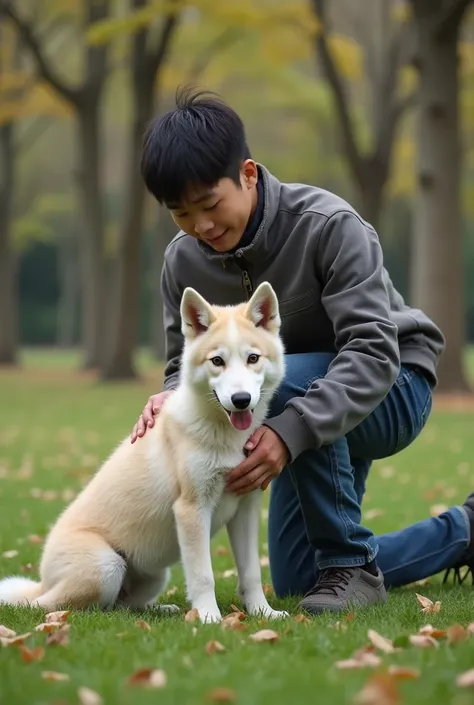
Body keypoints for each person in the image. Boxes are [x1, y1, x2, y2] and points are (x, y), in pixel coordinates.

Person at [130, 86, 474, 615]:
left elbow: (372, 352)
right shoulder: (182, 264)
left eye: (209, 204)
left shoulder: (329, 225)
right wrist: (170, 394)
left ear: (247, 174)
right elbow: (185, 361)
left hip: (394, 386)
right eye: (180, 213)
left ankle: (352, 568)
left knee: (280, 379)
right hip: (295, 411)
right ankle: (464, 532)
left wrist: (290, 433)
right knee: (299, 581)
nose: (201, 226)